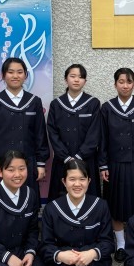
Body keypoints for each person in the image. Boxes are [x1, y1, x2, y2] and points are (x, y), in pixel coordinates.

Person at [40, 159, 115, 266]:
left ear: (89, 181)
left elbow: (108, 243)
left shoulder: (100, 206)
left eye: (82, 179)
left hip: (91, 263)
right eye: (72, 179)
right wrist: (60, 255)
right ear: (64, 181)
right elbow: (45, 246)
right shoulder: (52, 209)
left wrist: (93, 253)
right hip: (64, 262)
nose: (77, 184)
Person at [99, 68, 134, 262]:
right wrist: (103, 165)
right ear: (115, 84)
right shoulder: (107, 108)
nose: (125, 85)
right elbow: (102, 139)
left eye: (129, 82)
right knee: (115, 205)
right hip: (114, 165)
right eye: (121, 82)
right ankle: (121, 244)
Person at [0, 57, 49, 190]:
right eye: (11, 72)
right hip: (1, 165)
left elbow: (40, 135)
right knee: (0, 201)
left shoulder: (34, 101)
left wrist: (40, 163)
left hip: (27, 165)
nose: (15, 76)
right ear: (3, 75)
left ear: (26, 75)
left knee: (27, 199)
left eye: (20, 72)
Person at [47, 64, 101, 199]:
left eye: (81, 77)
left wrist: (79, 156)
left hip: (86, 159)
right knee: (61, 197)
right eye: (73, 76)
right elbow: (52, 133)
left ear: (85, 81)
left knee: (88, 198)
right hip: (62, 160)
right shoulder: (56, 104)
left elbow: (94, 134)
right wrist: (66, 157)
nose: (76, 80)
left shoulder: (93, 103)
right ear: (66, 79)